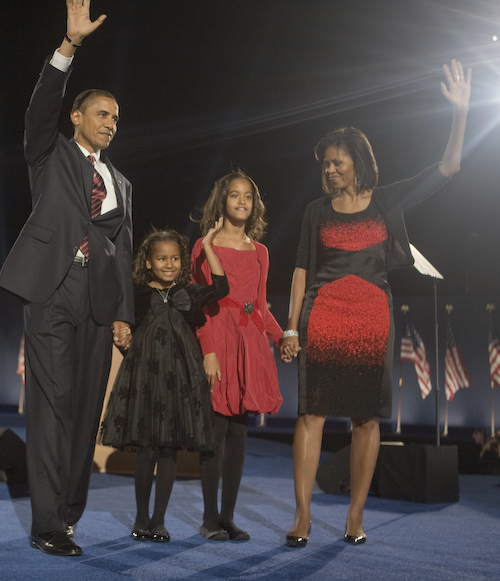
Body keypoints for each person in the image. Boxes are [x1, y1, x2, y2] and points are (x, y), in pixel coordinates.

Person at [281, 60, 471, 547]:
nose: (328, 168)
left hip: (370, 320)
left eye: (337, 161)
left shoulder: (388, 200)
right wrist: (291, 327)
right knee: (311, 414)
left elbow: (448, 168)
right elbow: (302, 268)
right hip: (321, 317)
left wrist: (460, 114)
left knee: (366, 418)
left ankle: (355, 517)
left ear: (358, 161)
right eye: (324, 162)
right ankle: (301, 516)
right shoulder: (315, 211)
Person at [0, 1, 134, 556]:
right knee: (53, 405)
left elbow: (123, 251)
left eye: (116, 118)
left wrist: (125, 313)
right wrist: (68, 48)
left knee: (84, 411)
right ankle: (47, 522)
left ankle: (70, 514)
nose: (109, 122)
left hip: (99, 305)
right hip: (53, 289)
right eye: (101, 113)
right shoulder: (48, 154)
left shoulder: (121, 183)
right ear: (77, 117)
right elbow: (39, 110)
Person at [100, 223, 229, 542]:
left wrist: (209, 246)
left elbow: (222, 288)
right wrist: (123, 342)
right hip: (146, 379)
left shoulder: (189, 292)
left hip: (180, 381)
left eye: (174, 259)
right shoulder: (137, 294)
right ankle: (141, 519)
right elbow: (120, 327)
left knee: (169, 450)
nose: (168, 264)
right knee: (147, 450)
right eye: (161, 259)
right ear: (148, 262)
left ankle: (158, 521)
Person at [191, 170, 283, 541]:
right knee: (214, 435)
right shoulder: (203, 245)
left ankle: (228, 517)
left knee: (240, 437)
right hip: (218, 340)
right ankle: (209, 519)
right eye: (234, 195)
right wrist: (209, 352)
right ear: (223, 201)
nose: (242, 201)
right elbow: (200, 305)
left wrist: (282, 337)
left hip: (249, 344)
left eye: (248, 195)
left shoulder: (260, 251)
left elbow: (259, 305)